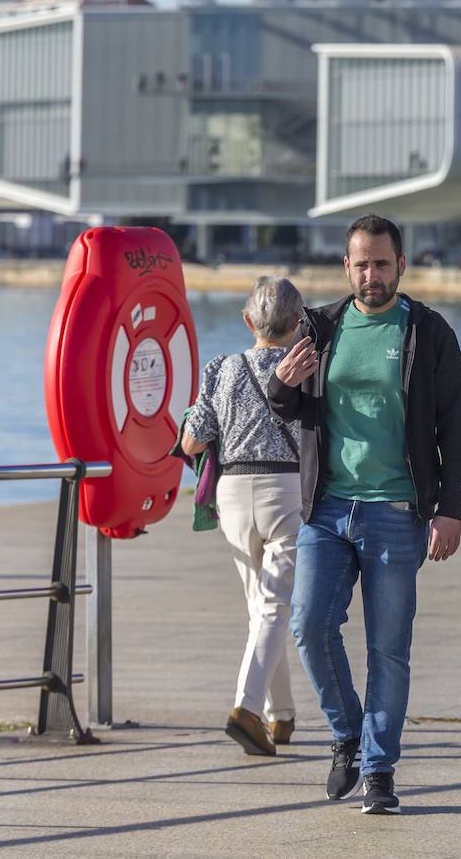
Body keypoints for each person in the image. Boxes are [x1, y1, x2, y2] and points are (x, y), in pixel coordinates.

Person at [268, 213, 461, 815]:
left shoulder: (429, 333)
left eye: (382, 263)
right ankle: (347, 735)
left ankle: (380, 772)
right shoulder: (321, 327)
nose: (371, 275)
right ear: (346, 266)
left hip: (396, 512)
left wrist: (449, 509)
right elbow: (289, 406)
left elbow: (456, 429)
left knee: (388, 648)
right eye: (361, 264)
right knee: (308, 625)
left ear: (401, 266)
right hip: (327, 509)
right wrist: (281, 386)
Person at [181, 276, 305, 757]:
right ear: (298, 323)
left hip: (232, 493)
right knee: (274, 605)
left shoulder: (221, 368)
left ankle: (283, 715)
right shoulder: (307, 367)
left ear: (248, 321)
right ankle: (246, 708)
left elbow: (192, 442)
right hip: (288, 488)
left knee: (261, 605)